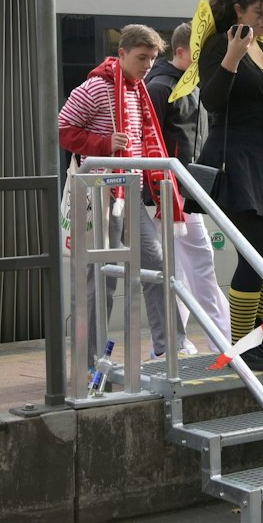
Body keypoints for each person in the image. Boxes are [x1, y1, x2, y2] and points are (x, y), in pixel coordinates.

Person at [182, 0, 263, 372]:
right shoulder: (219, 44)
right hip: (234, 157)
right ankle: (245, 343)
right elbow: (212, 101)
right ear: (239, 11)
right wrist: (231, 59)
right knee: (252, 255)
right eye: (260, 12)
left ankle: (255, 322)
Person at [58, 24, 189, 360]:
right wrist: (103, 144)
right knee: (101, 277)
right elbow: (62, 129)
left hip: (128, 192)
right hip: (101, 193)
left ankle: (169, 348)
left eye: (153, 58)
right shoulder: (95, 87)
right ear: (122, 53)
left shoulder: (136, 88)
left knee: (155, 264)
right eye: (142, 58)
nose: (148, 65)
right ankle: (90, 361)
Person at [145, 23, 230, 337]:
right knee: (198, 260)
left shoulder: (192, 85)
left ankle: (176, 343)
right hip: (169, 192)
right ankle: (221, 336)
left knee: (180, 267)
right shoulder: (162, 88)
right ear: (181, 52)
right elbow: (149, 142)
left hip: (182, 190)